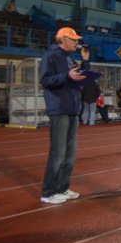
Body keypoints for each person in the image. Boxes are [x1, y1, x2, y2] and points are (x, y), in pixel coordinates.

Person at [39, 27, 89, 205]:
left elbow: (81, 79)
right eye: (74, 40)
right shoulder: (50, 56)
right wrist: (66, 77)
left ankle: (62, 188)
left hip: (72, 109)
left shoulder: (69, 59)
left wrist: (85, 62)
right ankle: (48, 192)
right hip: (59, 108)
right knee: (58, 153)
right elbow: (45, 81)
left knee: (70, 154)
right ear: (63, 39)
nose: (77, 42)